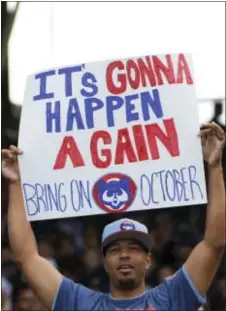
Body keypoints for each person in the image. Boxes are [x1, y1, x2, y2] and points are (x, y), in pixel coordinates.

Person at [2, 122, 225, 311]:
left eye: (134, 248)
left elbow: (215, 242)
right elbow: (26, 257)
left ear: (148, 260)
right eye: (115, 250)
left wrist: (214, 166)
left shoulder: (172, 298)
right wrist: (15, 183)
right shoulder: (79, 303)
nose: (124, 255)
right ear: (104, 262)